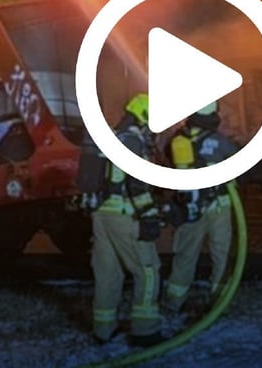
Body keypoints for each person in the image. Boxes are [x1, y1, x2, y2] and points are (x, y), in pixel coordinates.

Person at [88, 93, 165, 347]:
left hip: (101, 215)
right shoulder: (133, 140)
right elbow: (136, 181)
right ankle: (145, 331)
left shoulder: (110, 136)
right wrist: (149, 215)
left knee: (108, 273)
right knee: (147, 271)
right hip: (124, 214)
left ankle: (103, 329)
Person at [162, 100, 240, 315]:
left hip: (190, 207)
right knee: (221, 253)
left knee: (186, 254)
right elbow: (239, 163)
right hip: (218, 206)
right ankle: (219, 301)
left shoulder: (177, 140)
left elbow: (168, 159)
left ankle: (174, 301)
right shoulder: (220, 141)